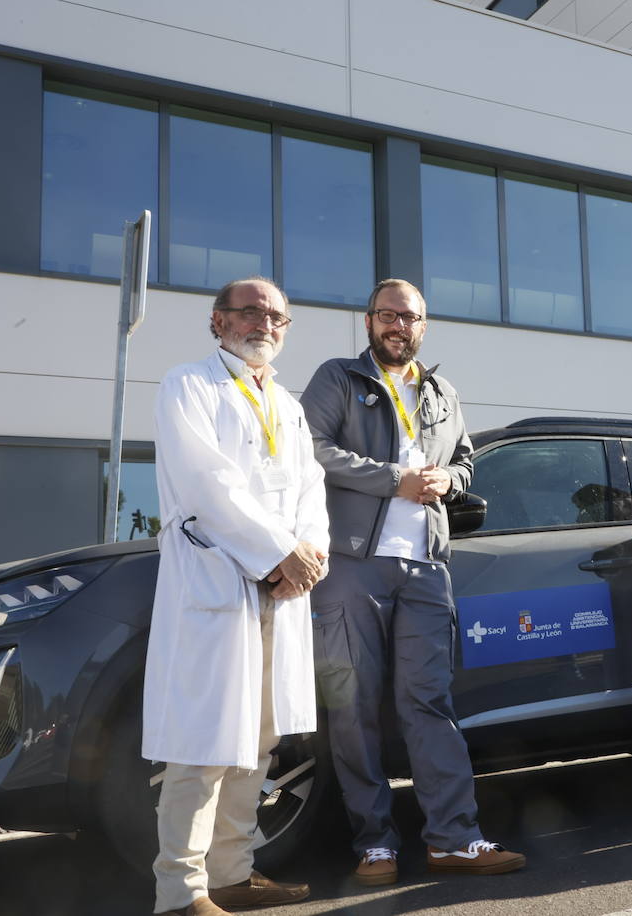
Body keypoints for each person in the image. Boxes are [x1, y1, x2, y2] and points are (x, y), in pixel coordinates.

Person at [300, 279, 524, 885]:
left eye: (410, 317)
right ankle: (375, 844)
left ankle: (455, 838)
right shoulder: (337, 379)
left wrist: (449, 482)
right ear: (369, 321)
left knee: (430, 704)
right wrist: (392, 479)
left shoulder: (443, 391)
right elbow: (310, 451)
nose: (399, 325)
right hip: (350, 565)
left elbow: (466, 458)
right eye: (388, 315)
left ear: (424, 326)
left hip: (427, 566)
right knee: (353, 709)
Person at [143, 277, 329, 916]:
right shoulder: (188, 385)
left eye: (277, 315)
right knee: (203, 741)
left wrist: (307, 553)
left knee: (258, 740)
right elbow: (208, 483)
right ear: (218, 321)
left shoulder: (289, 403)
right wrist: (281, 553)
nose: (265, 324)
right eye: (250, 312)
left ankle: (231, 874)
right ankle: (181, 891)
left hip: (282, 590)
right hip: (219, 583)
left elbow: (311, 486)